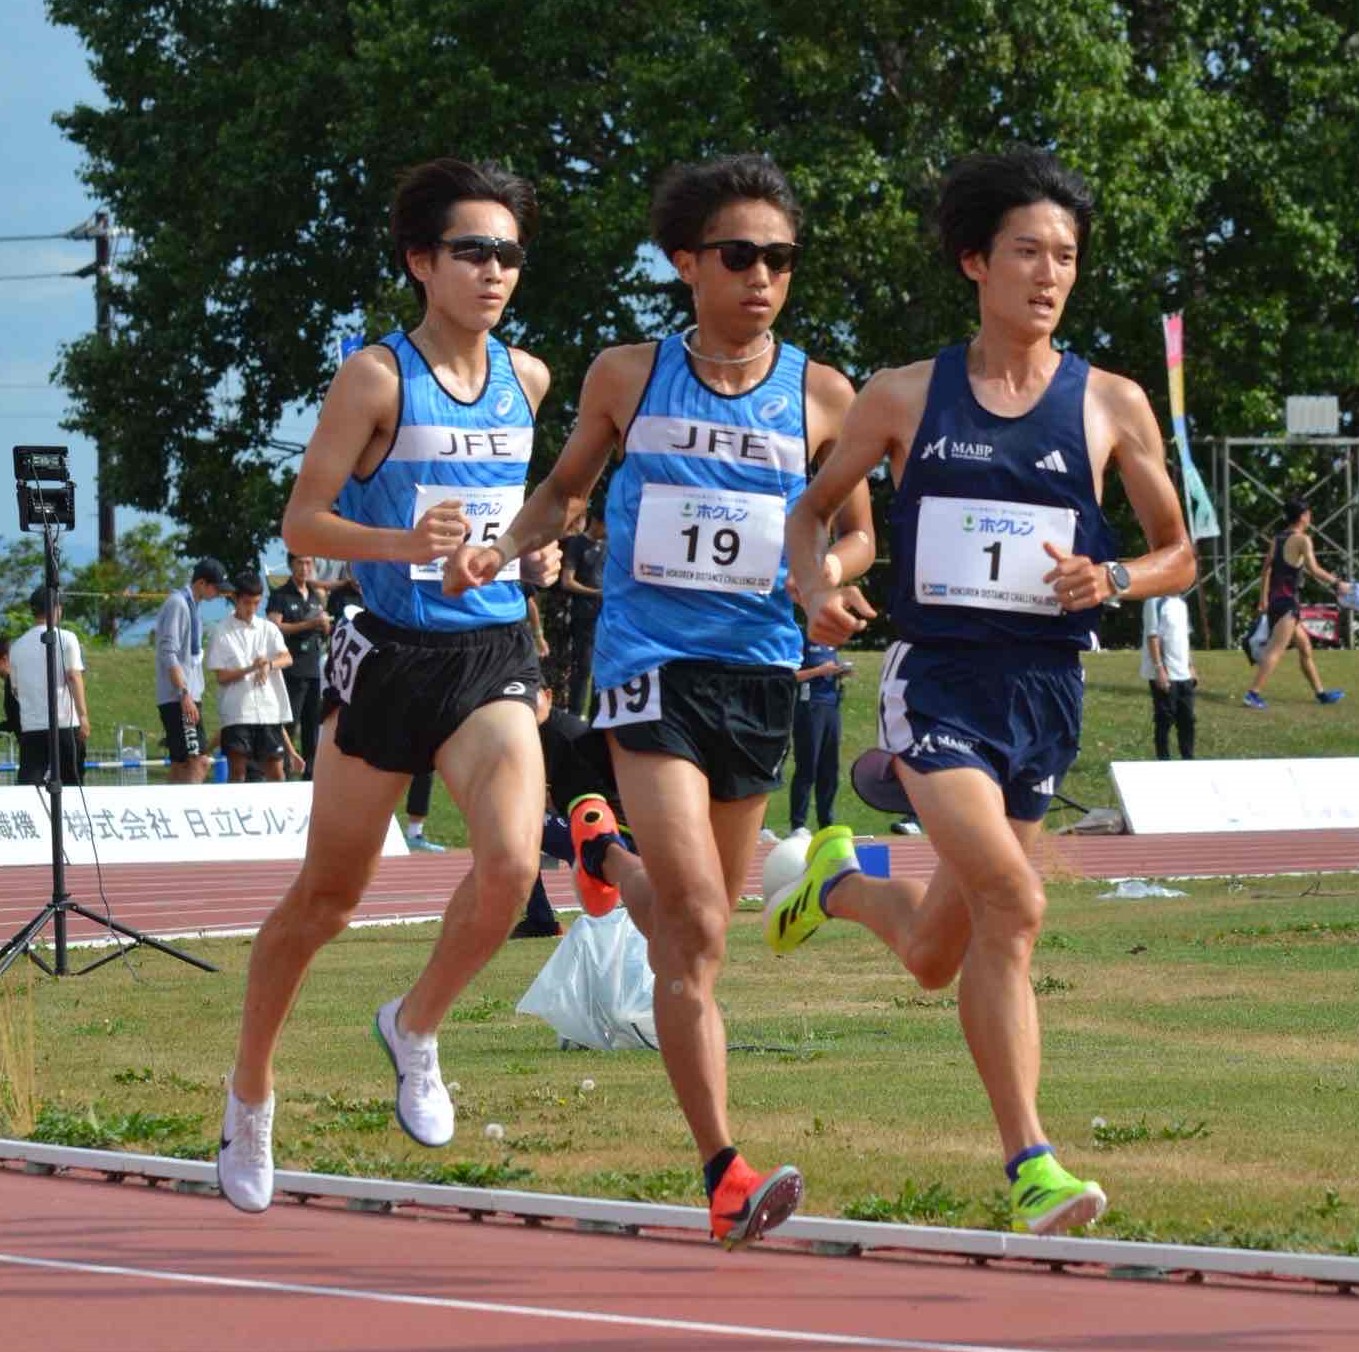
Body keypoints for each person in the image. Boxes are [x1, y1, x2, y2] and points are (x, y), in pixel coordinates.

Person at [447, 154, 875, 1247]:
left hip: (761, 672)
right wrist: (504, 546)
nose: (763, 277)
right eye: (739, 256)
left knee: (707, 924)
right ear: (687, 262)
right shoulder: (627, 376)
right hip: (650, 665)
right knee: (692, 925)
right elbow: (565, 491)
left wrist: (824, 579)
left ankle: (602, 860)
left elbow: (860, 527)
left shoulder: (825, 394)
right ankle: (725, 1169)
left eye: (781, 258)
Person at [770, 147, 1196, 1235]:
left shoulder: (1111, 403)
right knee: (1017, 901)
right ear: (976, 260)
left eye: (1066, 257)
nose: (1049, 275)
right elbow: (813, 512)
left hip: (1045, 696)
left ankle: (837, 881)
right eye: (1027, 253)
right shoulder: (907, 395)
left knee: (932, 953)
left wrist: (1114, 576)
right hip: (938, 684)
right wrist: (813, 585)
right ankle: (1032, 1164)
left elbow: (1180, 553)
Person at [217, 157, 560, 1213]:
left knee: (509, 870)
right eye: (472, 251)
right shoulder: (377, 377)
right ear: (422, 261)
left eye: (508, 252)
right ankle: (251, 1092)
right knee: (328, 898)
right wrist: (405, 539)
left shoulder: (531, 377)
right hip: (390, 655)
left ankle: (414, 1024)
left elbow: (515, 519)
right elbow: (303, 523)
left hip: (492, 653)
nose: (495, 270)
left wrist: (530, 558)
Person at [1243, 498, 1346, 709]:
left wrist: (1263, 600)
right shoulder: (1303, 540)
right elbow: (1314, 569)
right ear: (1302, 516)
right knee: (1275, 650)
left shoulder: (1277, 539)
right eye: (1308, 513)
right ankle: (1253, 694)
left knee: (1305, 647)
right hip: (1288, 604)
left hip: (1276, 602)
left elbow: (1266, 570)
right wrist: (1337, 583)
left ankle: (1321, 694)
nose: (1310, 517)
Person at [207, 570, 296, 783]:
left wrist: (269, 664)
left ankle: (278, 813)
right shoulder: (221, 631)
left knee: (276, 770)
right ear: (235, 599)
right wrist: (250, 668)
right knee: (237, 772)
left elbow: (287, 658)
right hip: (238, 712)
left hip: (268, 710)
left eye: (257, 603)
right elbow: (221, 676)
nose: (252, 609)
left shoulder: (268, 628)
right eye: (247, 603)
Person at [155, 558, 229, 785]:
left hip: (186, 695)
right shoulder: (178, 603)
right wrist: (184, 692)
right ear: (201, 583)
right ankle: (189, 807)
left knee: (181, 761)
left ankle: (170, 810)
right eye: (216, 587)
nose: (218, 594)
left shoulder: (193, 605)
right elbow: (169, 652)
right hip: (180, 696)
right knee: (197, 760)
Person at [8, 586, 90, 787]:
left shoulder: (17, 646)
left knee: (30, 786)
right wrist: (84, 716)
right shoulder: (66, 638)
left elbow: (15, 689)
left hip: (31, 727)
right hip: (64, 724)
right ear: (55, 609)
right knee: (71, 784)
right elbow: (73, 677)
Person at [267, 553, 331, 778]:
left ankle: (311, 775)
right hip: (291, 667)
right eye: (300, 563)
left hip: (314, 667)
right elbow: (275, 626)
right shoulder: (280, 595)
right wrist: (309, 624)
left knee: (312, 725)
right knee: (289, 721)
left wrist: (324, 627)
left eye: (308, 563)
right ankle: (284, 770)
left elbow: (324, 626)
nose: (305, 568)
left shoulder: (316, 595)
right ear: (291, 565)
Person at [788, 637, 851, 837]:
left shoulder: (831, 643)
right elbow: (790, 676)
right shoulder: (801, 639)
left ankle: (826, 822)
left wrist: (840, 672)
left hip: (831, 707)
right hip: (809, 707)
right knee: (807, 766)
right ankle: (798, 824)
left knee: (829, 768)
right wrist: (818, 671)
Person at [559, 512, 606, 715]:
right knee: (584, 667)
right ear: (596, 522)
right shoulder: (577, 544)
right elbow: (567, 581)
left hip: (605, 614)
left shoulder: (609, 545)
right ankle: (576, 713)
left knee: (602, 668)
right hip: (584, 613)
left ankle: (599, 715)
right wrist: (594, 592)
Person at [1140, 592, 1196, 760]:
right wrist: (1160, 669)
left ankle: (1188, 758)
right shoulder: (1154, 601)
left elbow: (1184, 637)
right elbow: (1153, 636)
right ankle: (1163, 760)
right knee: (1165, 719)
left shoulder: (1181, 602)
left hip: (1183, 672)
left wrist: (1191, 665)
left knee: (1187, 720)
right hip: (1165, 673)